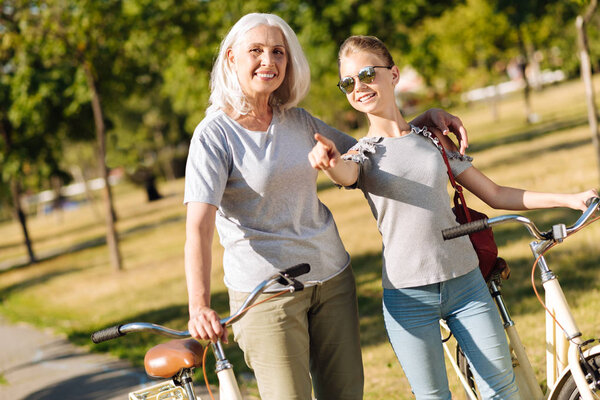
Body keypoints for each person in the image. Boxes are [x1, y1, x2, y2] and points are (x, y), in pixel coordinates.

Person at [183, 13, 470, 400]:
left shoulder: (297, 121)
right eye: (256, 51)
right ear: (232, 58)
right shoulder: (214, 135)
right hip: (267, 295)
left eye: (278, 52)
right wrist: (199, 304)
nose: (269, 61)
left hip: (333, 279)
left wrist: (423, 120)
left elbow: (371, 152)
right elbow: (198, 226)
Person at [308, 35, 598, 400]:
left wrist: (570, 199)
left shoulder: (431, 139)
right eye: (348, 82)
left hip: (466, 284)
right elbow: (345, 175)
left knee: (503, 390)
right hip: (407, 297)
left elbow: (494, 193)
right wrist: (330, 163)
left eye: (367, 73)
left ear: (393, 75)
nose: (359, 86)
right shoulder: (362, 154)